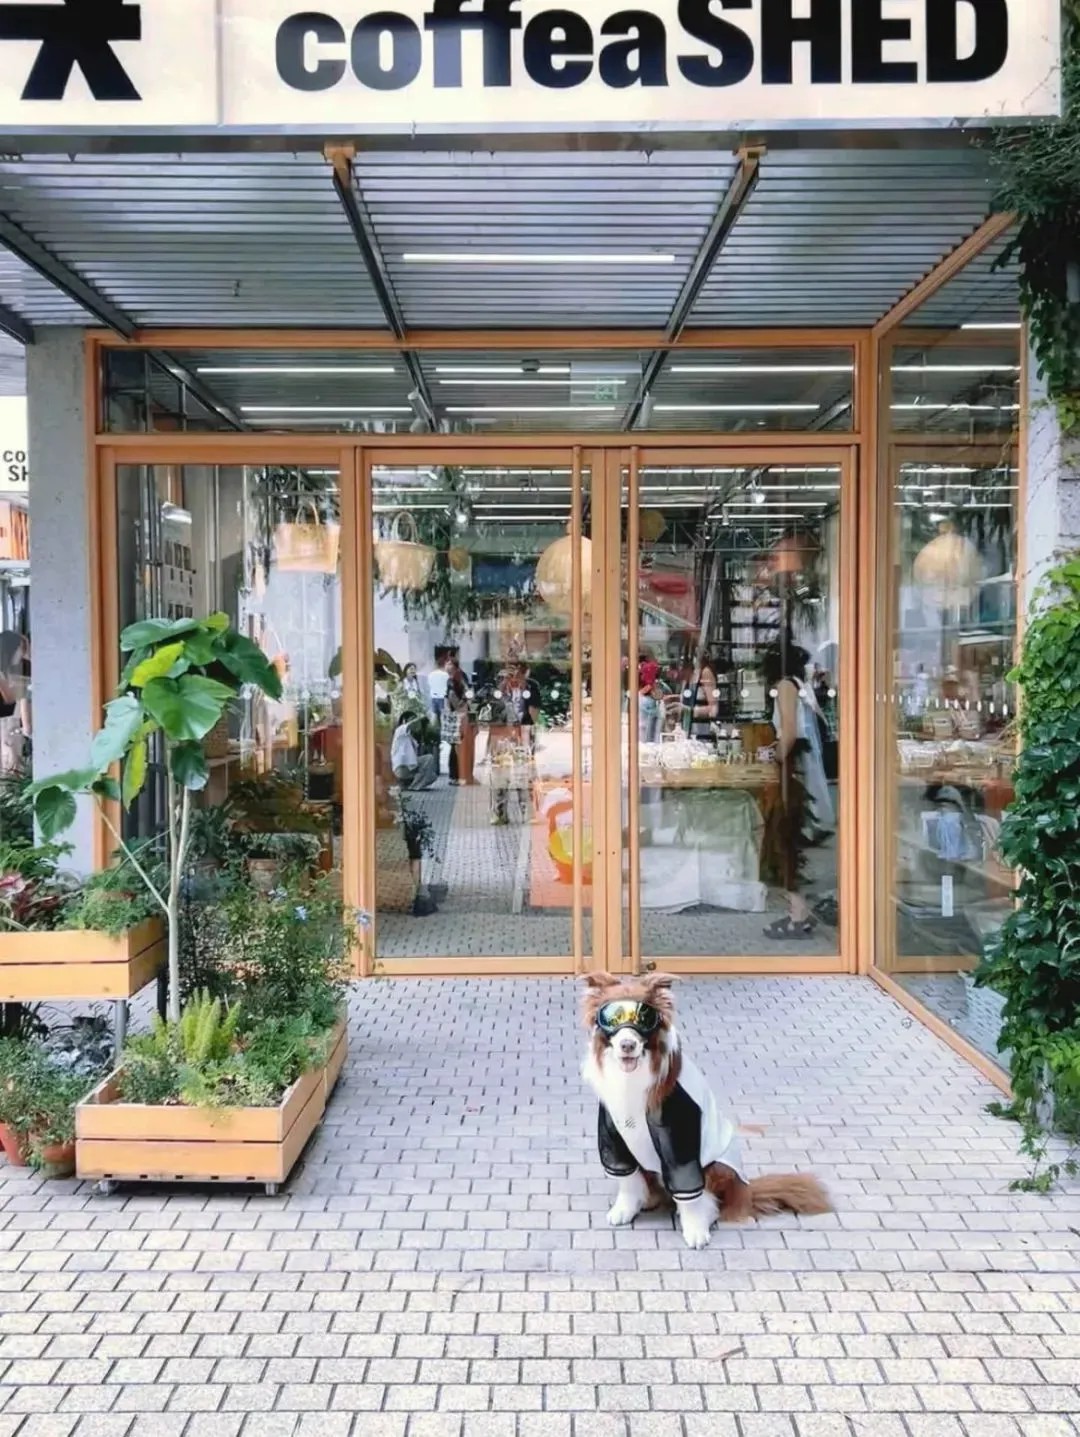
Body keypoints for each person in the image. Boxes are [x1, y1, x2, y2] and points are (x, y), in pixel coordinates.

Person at [760, 643, 822, 942]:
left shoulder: (786, 686)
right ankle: (799, 911)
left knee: (783, 839)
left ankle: (798, 915)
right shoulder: (800, 685)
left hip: (792, 771)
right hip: (805, 768)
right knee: (791, 838)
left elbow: (790, 732)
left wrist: (775, 755)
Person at [0, 631, 30, 775]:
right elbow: (10, 698)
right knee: (11, 765)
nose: (22, 653)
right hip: (7, 724)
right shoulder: (3, 673)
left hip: (13, 723)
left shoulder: (20, 668)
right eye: (20, 648)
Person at [391, 714, 437, 791]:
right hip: (401, 768)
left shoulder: (410, 736)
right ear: (405, 721)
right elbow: (410, 725)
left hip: (408, 767)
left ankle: (407, 785)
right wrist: (420, 718)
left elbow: (416, 758)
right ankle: (414, 786)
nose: (416, 724)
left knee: (432, 776)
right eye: (412, 720)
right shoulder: (400, 731)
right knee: (429, 758)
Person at [427, 655, 450, 721]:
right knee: (443, 716)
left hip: (433, 697)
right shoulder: (446, 675)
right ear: (444, 664)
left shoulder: (430, 674)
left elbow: (429, 684)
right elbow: (448, 686)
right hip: (442, 697)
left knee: (434, 715)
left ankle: (433, 726)